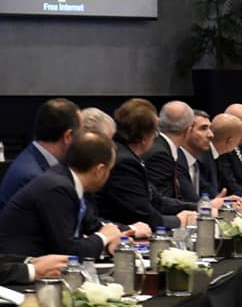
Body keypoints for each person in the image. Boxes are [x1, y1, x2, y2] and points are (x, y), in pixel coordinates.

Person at [0, 131, 125, 260]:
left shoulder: (68, 180)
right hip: (21, 266)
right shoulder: (57, 188)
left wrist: (115, 237)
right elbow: (67, 252)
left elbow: (91, 225)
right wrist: (103, 237)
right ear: (100, 170)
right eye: (109, 170)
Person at [97, 99, 198, 231]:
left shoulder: (127, 155)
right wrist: (179, 221)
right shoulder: (124, 162)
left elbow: (157, 200)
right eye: (155, 132)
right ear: (144, 137)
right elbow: (143, 215)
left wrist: (195, 208)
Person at [0, 98, 80, 209]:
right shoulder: (33, 178)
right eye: (80, 133)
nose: (82, 140)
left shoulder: (34, 158)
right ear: (68, 136)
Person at [143, 101, 197, 202]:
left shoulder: (160, 146)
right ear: (188, 130)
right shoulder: (160, 155)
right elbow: (161, 202)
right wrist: (201, 206)